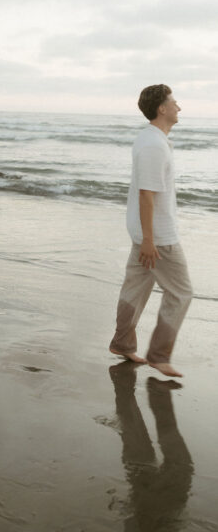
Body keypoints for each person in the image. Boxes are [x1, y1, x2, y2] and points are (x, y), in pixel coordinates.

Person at [109, 85, 193, 378]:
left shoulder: (151, 139)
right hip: (158, 236)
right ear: (162, 109)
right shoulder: (154, 146)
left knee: (136, 286)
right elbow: (147, 195)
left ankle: (121, 343)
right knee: (181, 293)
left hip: (146, 233)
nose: (179, 107)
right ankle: (159, 355)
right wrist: (149, 240)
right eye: (174, 102)